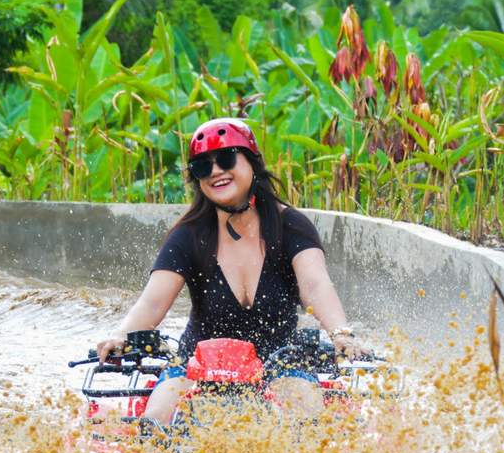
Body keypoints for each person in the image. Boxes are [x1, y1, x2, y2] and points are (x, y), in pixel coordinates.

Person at [95, 117, 364, 424]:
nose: (216, 172)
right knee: (157, 416)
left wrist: (341, 333)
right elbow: (153, 302)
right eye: (202, 167)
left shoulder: (291, 226)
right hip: (195, 365)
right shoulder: (188, 234)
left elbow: (315, 285)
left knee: (306, 413)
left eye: (225, 159)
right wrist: (120, 334)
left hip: (280, 365)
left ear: (252, 162)